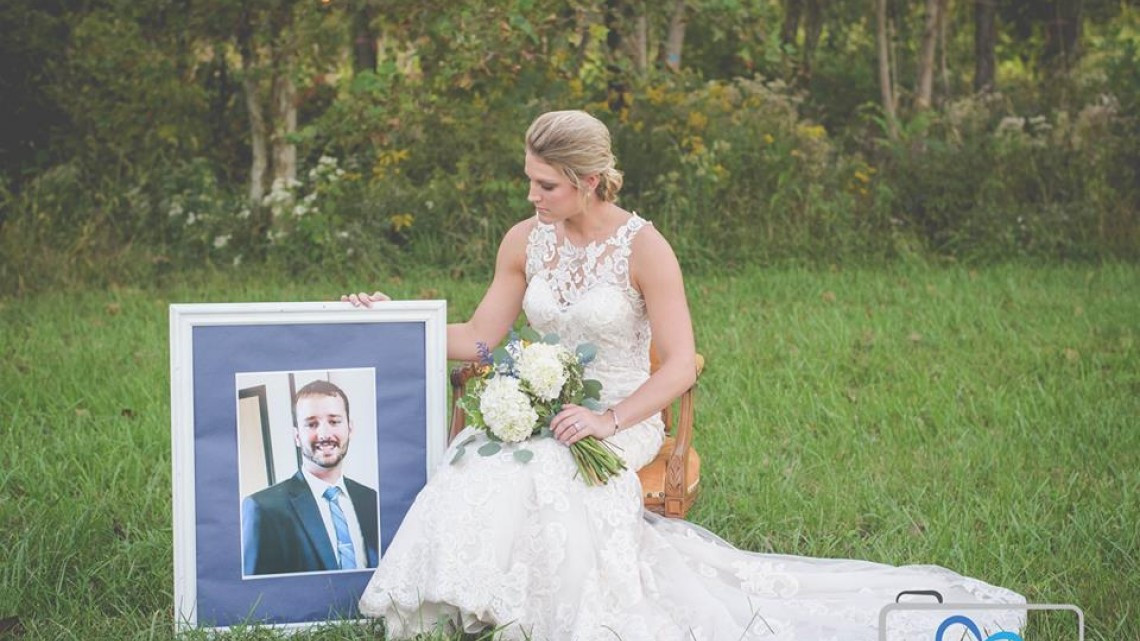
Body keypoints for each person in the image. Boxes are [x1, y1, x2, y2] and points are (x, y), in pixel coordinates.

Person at [343, 110, 1024, 639]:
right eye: (529, 179)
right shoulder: (524, 240)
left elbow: (677, 365)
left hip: (623, 413)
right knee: (477, 457)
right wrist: (393, 320)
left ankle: (538, 611)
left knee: (551, 473)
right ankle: (460, 603)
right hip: (540, 399)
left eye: (545, 184)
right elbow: (481, 337)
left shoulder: (644, 247)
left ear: (585, 181)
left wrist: (606, 420)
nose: (532, 194)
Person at [241, 379, 380, 576]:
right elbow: (256, 595)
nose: (324, 434)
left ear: (349, 428)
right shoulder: (262, 508)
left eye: (334, 421)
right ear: (297, 436)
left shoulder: (371, 499)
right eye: (312, 424)